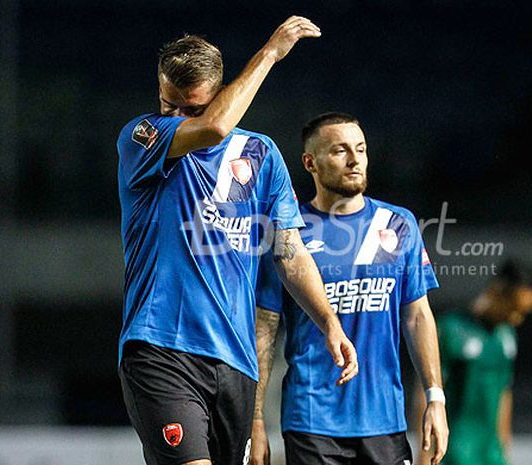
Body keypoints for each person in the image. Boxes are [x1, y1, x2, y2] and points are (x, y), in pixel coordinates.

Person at [116, 19, 358, 465]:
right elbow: (213, 128)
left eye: (192, 109)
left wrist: (329, 322)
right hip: (161, 349)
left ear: (222, 92)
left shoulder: (261, 155)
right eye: (168, 103)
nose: (176, 119)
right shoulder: (143, 137)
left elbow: (289, 253)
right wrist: (270, 53)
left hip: (235, 363)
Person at [252, 112, 449, 465]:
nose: (355, 159)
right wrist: (256, 419)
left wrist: (436, 399)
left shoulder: (397, 224)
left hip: (385, 421)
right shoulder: (287, 234)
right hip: (312, 420)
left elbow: (418, 316)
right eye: (340, 150)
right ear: (310, 162)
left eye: (360, 148)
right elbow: (264, 326)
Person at [422, 260, 532, 465]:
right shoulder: (451, 329)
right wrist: (424, 454)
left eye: (523, 313)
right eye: (514, 309)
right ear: (498, 290)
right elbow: (427, 392)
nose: (517, 318)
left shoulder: (506, 336)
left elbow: (504, 394)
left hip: (492, 454)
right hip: (456, 451)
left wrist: (504, 448)